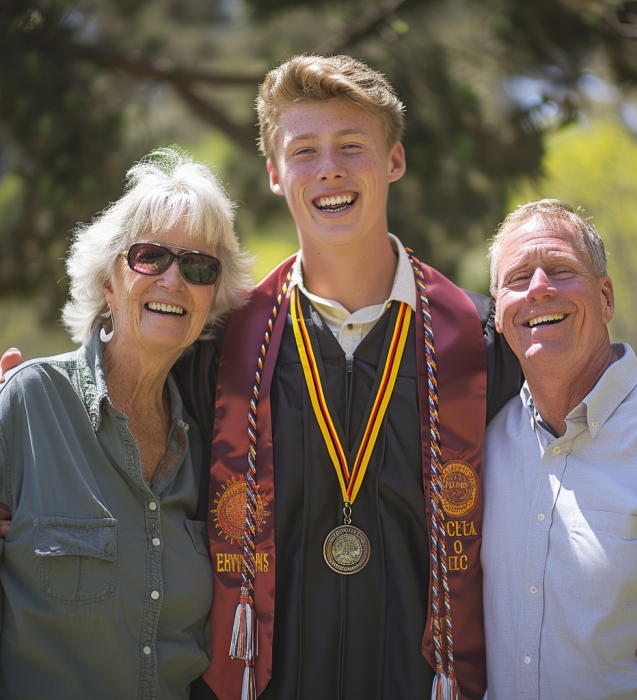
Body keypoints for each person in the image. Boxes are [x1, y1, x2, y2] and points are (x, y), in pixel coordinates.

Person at [168, 54, 522, 700]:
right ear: (275, 175)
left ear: (394, 161)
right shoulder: (217, 351)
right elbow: (127, 462)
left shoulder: (485, 344)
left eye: (351, 145)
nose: (328, 167)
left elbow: (583, 462)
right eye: (304, 151)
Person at [0, 148, 252, 699]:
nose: (173, 280)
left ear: (211, 303)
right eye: (149, 257)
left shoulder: (212, 450)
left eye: (198, 266)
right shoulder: (30, 404)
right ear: (108, 283)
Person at [481, 198, 637, 698]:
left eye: (560, 270)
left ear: (606, 297)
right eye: (518, 279)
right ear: (498, 316)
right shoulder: (481, 446)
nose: (539, 288)